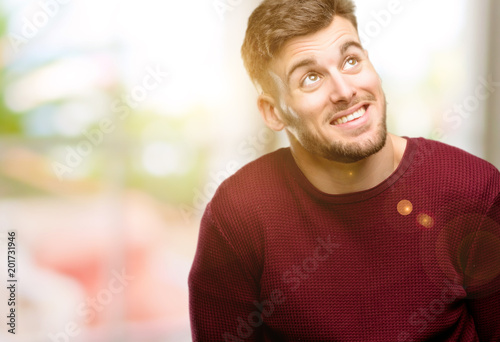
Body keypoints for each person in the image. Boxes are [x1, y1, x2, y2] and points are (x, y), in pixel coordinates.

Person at [188, 0, 500, 340]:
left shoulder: (474, 189)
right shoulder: (238, 214)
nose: (346, 91)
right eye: (310, 78)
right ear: (273, 111)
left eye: (351, 60)